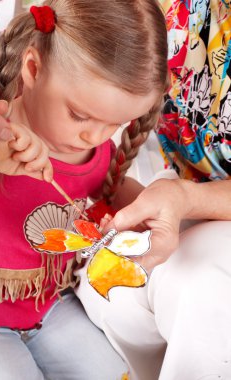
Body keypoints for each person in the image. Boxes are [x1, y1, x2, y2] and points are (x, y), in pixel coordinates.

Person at [0, 1, 168, 380]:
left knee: (111, 372)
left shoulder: (96, 152)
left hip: (51, 307)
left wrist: (146, 206)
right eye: (80, 115)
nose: (95, 136)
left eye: (114, 123)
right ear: (33, 69)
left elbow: (113, 191)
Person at [75, 1, 231, 379]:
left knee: (195, 285)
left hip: (193, 197)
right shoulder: (171, 12)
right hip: (180, 186)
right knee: (109, 281)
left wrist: (185, 199)